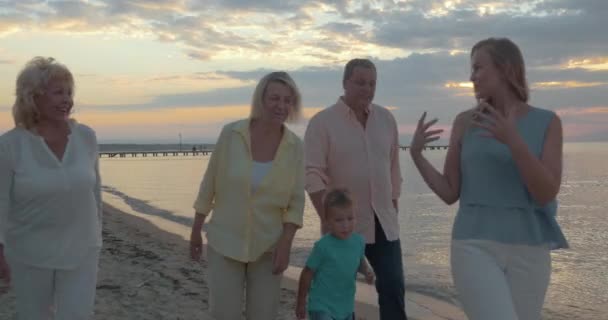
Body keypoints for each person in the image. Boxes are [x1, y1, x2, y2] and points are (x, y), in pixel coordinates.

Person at [409, 37, 568, 320]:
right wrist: (417, 156)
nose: (472, 77)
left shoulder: (548, 122)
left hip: (530, 248)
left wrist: (513, 141)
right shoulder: (465, 122)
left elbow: (546, 192)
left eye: (478, 67)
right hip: (473, 244)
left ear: (505, 68)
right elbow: (449, 192)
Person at [189, 71, 305, 320]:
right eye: (275, 98)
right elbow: (209, 184)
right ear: (260, 99)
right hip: (225, 241)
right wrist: (196, 229)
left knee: (263, 315)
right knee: (223, 314)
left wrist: (285, 244)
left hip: (268, 247)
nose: (281, 106)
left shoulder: (295, 147)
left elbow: (296, 202)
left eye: (287, 100)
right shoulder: (231, 134)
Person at [0, 57, 103, 319]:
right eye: (58, 92)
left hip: (82, 249)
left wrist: (97, 236)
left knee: (77, 314)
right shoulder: (11, 145)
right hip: (29, 251)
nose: (67, 99)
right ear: (33, 97)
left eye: (69, 93)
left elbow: (95, 193)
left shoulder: (86, 137)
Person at [305, 58, 407, 319]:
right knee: (337, 291)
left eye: (372, 83)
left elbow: (394, 166)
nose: (367, 89)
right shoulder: (322, 122)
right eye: (360, 82)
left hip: (384, 221)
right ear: (345, 83)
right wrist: (327, 218)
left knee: (393, 285)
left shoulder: (386, 119)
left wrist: (394, 202)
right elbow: (312, 173)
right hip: (343, 225)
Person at [296, 189, 375, 320]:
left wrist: (366, 271)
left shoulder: (358, 241)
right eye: (339, 220)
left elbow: (358, 261)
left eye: (350, 219)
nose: (346, 225)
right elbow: (307, 273)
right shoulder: (323, 246)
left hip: (346, 306)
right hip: (321, 305)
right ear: (327, 221)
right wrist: (301, 301)